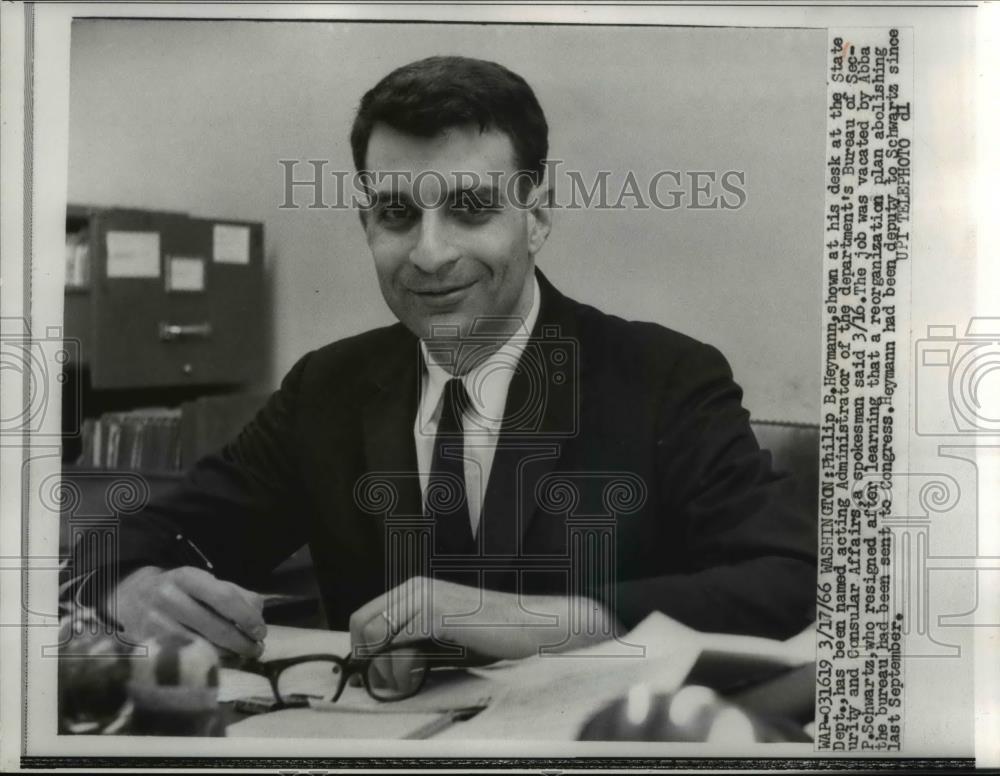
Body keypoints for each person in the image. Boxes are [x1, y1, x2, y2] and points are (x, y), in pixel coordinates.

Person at [87, 56, 816, 663]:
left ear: (536, 216)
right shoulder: (326, 389)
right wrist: (133, 589)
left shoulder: (663, 378)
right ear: (367, 222)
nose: (430, 254)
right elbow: (125, 539)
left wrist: (542, 620)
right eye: (397, 214)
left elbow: (797, 578)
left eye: (470, 208)